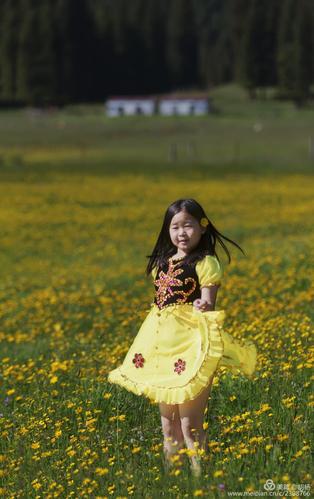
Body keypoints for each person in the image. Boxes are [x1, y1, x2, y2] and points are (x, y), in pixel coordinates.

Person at [107, 198, 257, 477]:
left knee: (190, 423)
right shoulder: (161, 263)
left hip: (191, 346)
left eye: (188, 225)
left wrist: (202, 305)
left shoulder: (205, 262)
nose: (182, 233)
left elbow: (208, 301)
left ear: (202, 227)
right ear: (167, 231)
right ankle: (173, 481)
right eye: (175, 227)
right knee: (169, 426)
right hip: (161, 349)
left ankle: (202, 480)